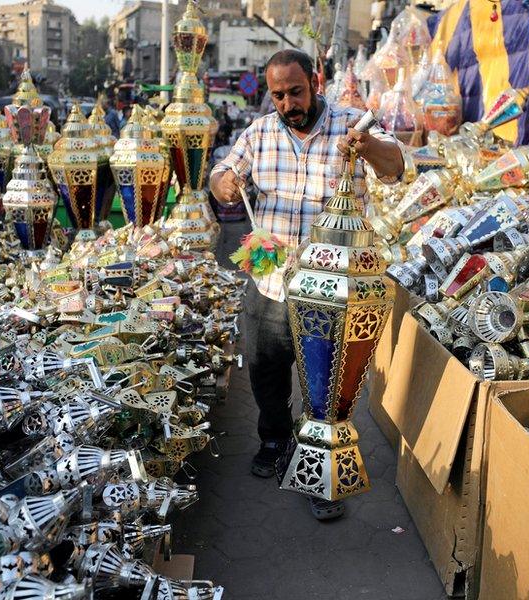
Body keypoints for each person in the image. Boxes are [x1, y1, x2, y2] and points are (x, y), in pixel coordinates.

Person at [209, 49, 406, 521]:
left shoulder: (352, 123)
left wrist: (366, 148)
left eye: (295, 92)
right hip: (271, 272)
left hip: (331, 287)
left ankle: (322, 471)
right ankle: (275, 439)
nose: (287, 103)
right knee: (264, 364)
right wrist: (226, 184)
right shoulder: (259, 132)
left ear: (315, 83)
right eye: (278, 95)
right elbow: (220, 174)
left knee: (325, 381)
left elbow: (396, 166)